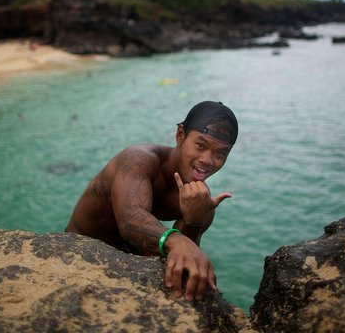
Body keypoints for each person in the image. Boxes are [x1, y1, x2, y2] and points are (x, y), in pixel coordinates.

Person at [65, 100, 238, 301]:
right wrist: (176, 240)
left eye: (220, 153)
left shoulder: (201, 202)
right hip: (78, 247)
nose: (207, 160)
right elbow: (129, 219)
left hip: (129, 258)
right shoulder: (139, 161)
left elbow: (179, 259)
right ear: (180, 135)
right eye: (200, 145)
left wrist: (193, 222)